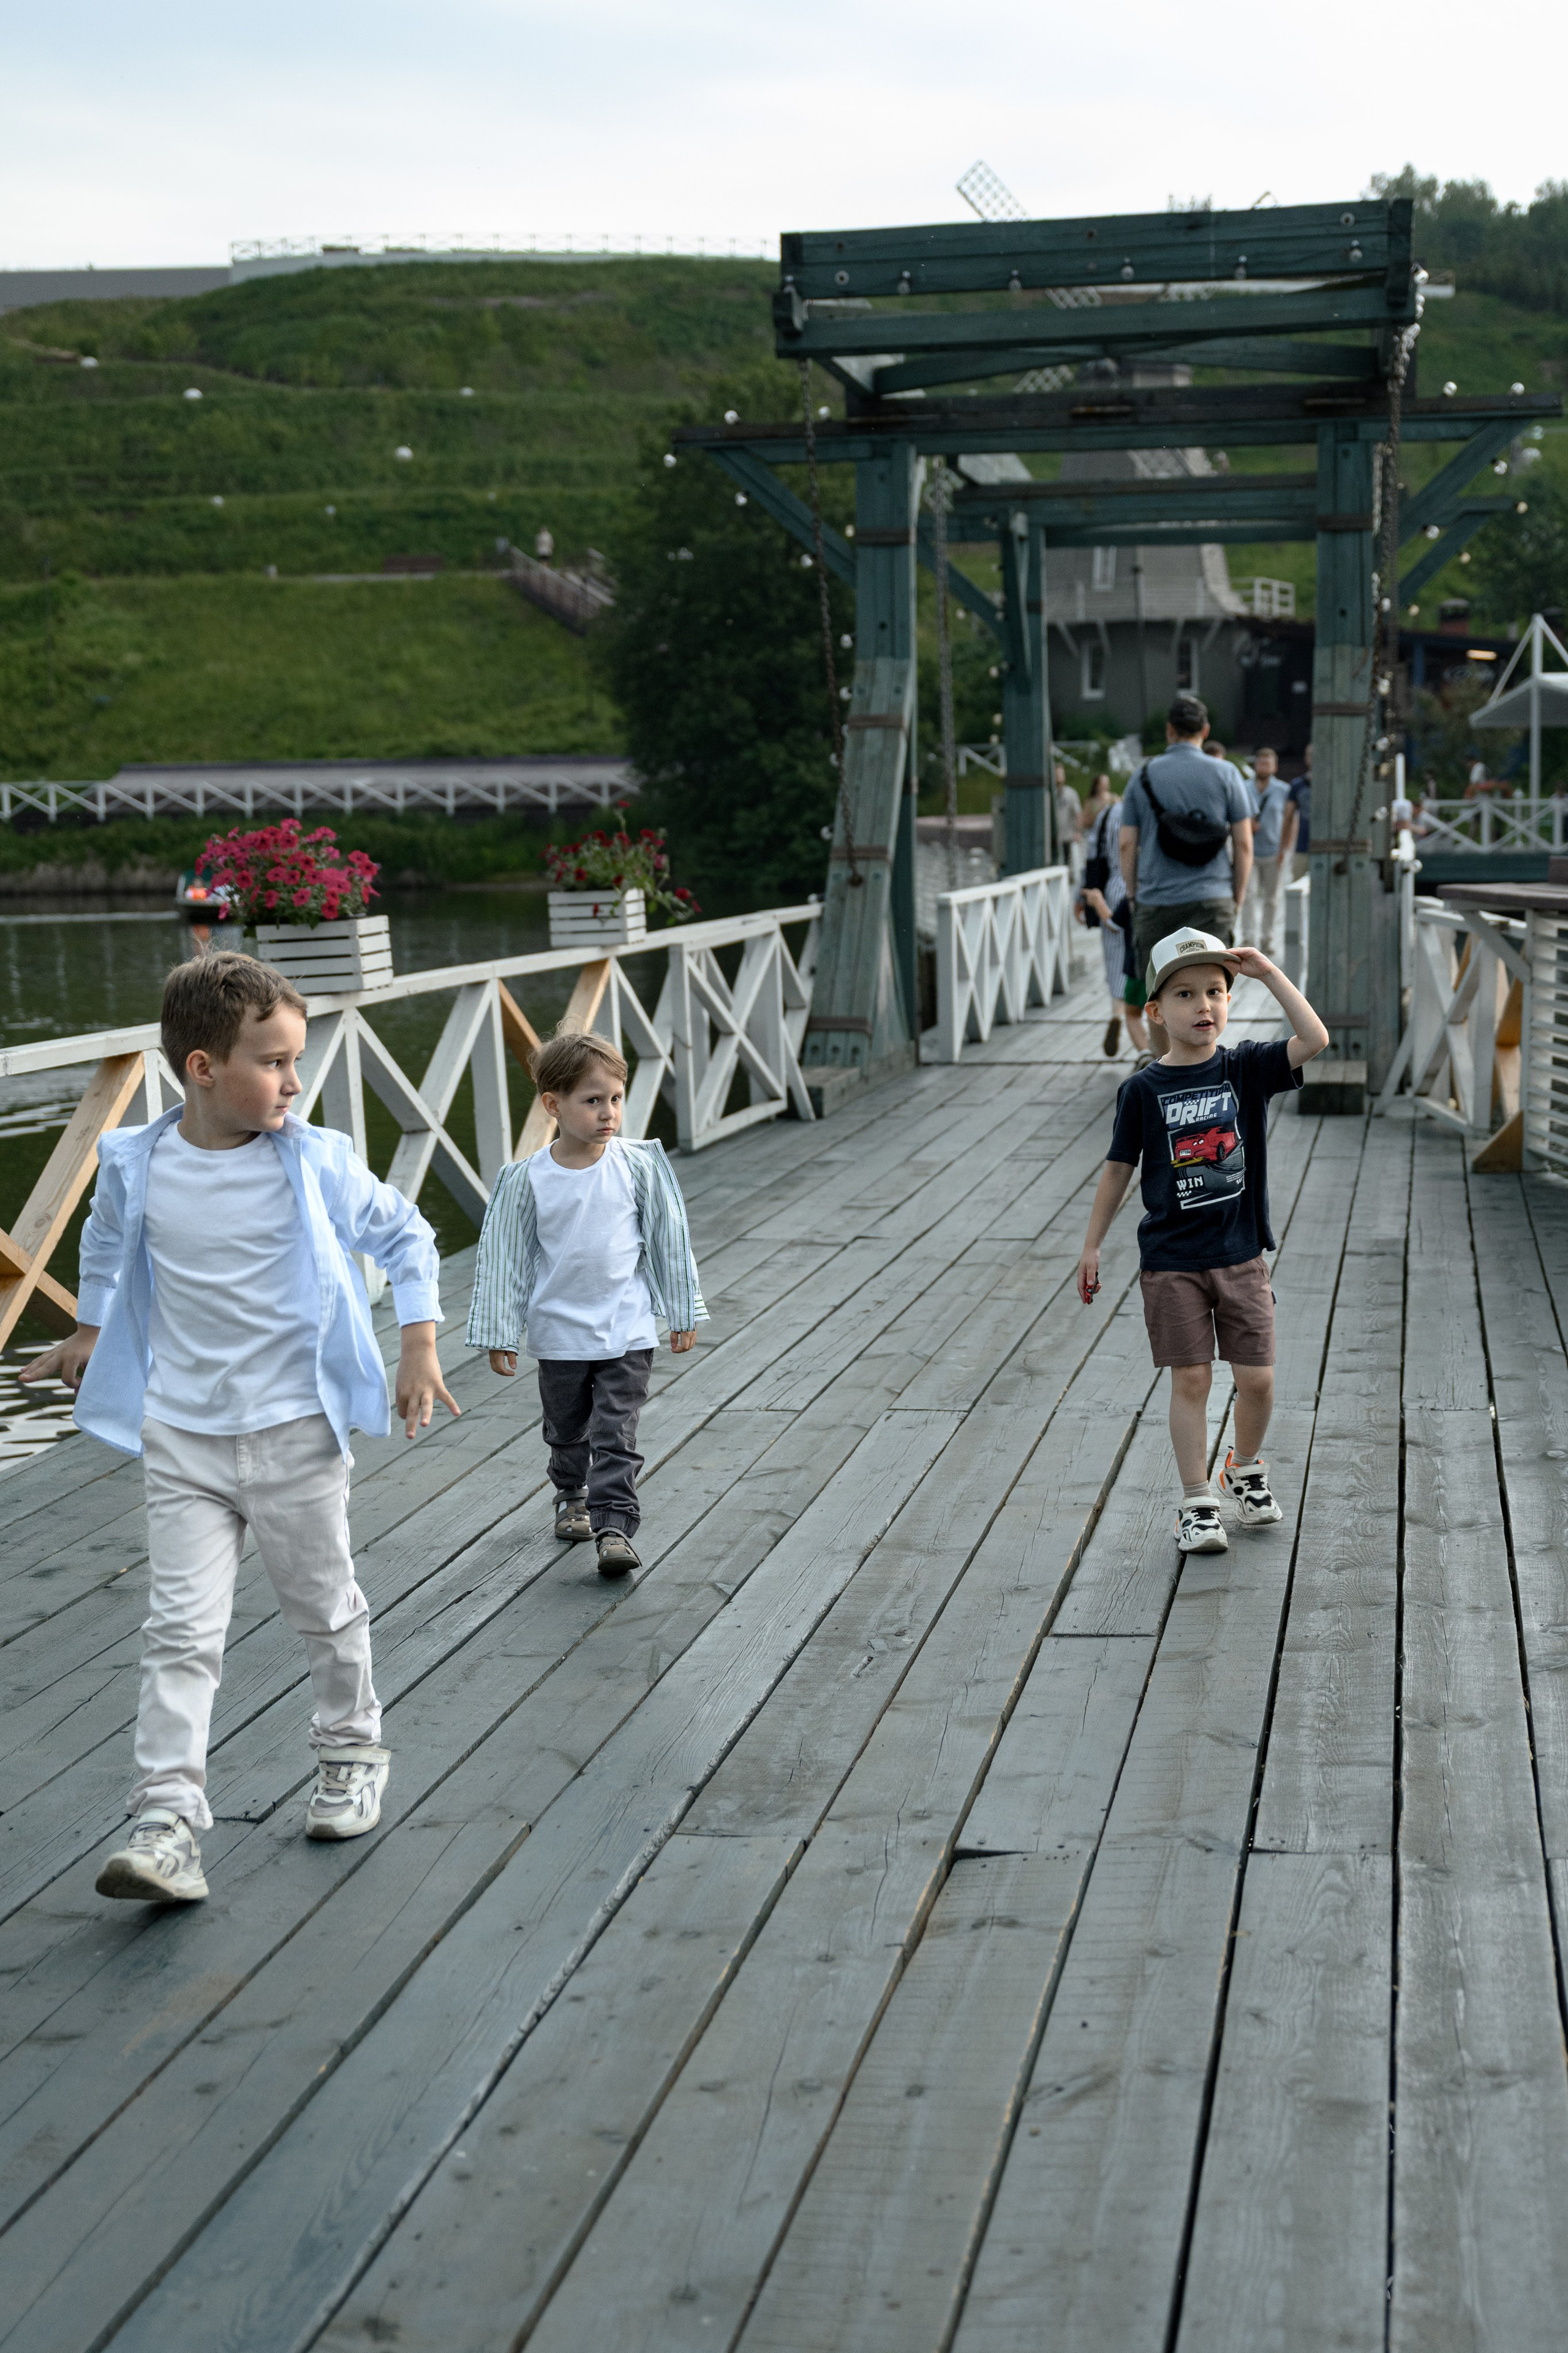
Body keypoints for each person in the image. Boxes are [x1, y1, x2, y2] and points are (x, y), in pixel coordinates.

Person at [18, 952, 456, 1906]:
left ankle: (349, 1751)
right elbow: (103, 1239)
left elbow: (405, 1234)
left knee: (324, 1606)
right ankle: (168, 1819)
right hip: (184, 1436)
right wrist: (90, 1328)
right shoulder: (139, 1163)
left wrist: (419, 1342)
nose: (294, 1082)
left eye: (297, 1061)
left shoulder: (315, 1159)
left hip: (295, 1433)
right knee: (180, 1631)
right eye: (273, 1062)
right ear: (203, 1068)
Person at [1075, 926, 1329, 1554]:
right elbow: (1117, 1169)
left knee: (1258, 1379)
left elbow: (1315, 1039)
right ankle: (1195, 1500)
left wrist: (1268, 974)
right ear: (1156, 1012)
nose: (1204, 1006)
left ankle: (1242, 1468)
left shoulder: (1244, 1068)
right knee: (1190, 1379)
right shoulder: (1141, 1090)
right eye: (1185, 995)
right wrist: (1091, 1244)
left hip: (1240, 1254)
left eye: (1215, 991)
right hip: (1172, 1261)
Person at [467, 1029, 706, 1581]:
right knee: (568, 1427)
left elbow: (669, 1238)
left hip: (627, 1329)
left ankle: (615, 1525)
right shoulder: (527, 1180)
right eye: (592, 1100)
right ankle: (570, 1493)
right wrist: (501, 1331)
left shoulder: (638, 1166)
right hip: (560, 1334)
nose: (608, 1113)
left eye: (616, 1099)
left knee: (615, 1429)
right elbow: (505, 1257)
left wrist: (681, 1309)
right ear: (554, 1104)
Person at [1118, 693, 1255, 983]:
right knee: (1210, 999)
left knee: (1159, 999)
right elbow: (1243, 845)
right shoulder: (1227, 773)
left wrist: (1133, 896)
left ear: (1169, 730)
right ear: (1205, 731)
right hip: (1212, 899)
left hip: (1156, 902)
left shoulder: (1141, 776)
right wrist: (1236, 898)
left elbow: (1126, 844)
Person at [1076, 780, 1149, 1062]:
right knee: (1141, 954)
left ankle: (1118, 1013)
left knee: (1117, 959)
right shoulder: (1146, 811)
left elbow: (1092, 856)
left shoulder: (1106, 815)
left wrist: (1082, 896)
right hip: (1147, 886)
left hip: (1114, 889)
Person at [1242, 746, 1291, 957]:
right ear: (1255, 766)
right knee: (1249, 896)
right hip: (1249, 851)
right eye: (1261, 763)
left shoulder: (1283, 790)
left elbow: (1289, 821)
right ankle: (1248, 938)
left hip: (1273, 850)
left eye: (1268, 764)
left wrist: (1285, 849)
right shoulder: (1244, 788)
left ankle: (1267, 939)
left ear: (1275, 767)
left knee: (1271, 898)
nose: (1264, 767)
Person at [1281, 741, 1311, 876]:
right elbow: (1288, 817)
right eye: (1310, 755)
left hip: (1327, 847)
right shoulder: (1297, 785)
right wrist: (1283, 848)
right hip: (1302, 848)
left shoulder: (1333, 784)